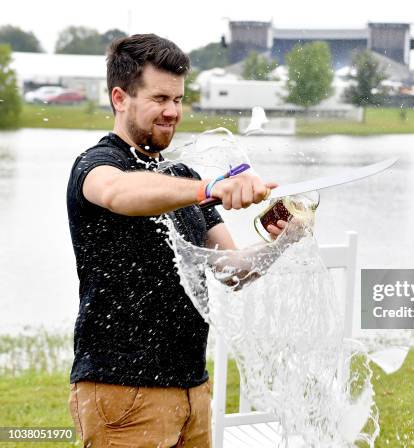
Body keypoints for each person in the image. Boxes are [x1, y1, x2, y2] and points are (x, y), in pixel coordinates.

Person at [66, 34, 288, 448]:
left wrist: (284, 242)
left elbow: (233, 271)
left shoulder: (183, 177)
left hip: (192, 390)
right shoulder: (96, 165)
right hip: (122, 393)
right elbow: (119, 194)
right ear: (120, 97)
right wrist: (213, 187)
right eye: (160, 99)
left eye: (179, 99)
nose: (173, 112)